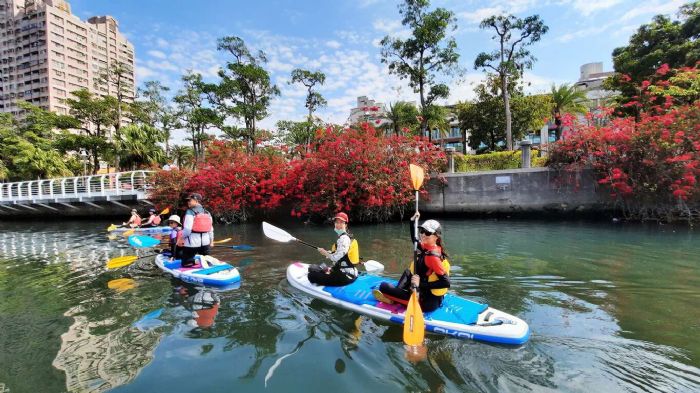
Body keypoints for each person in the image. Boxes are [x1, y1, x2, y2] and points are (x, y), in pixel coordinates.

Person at [373, 212, 450, 312]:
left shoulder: (432, 257)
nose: (423, 234)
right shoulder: (429, 247)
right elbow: (415, 240)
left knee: (383, 286)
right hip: (424, 292)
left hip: (425, 302)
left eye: (427, 233)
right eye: (422, 231)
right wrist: (412, 221)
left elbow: (446, 282)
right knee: (407, 272)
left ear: (436, 237)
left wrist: (420, 284)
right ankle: (397, 294)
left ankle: (393, 298)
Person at [308, 212, 360, 286]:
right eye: (337, 222)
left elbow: (335, 258)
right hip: (344, 271)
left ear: (345, 225)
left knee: (311, 276)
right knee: (312, 268)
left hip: (345, 276)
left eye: (341, 223)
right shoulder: (345, 237)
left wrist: (325, 253)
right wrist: (327, 252)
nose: (338, 225)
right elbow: (340, 253)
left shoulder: (344, 239)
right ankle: (329, 272)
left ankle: (328, 276)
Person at [179, 193, 214, 268]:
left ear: (196, 200)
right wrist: (211, 241)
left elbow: (187, 230)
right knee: (207, 261)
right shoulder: (207, 212)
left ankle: (193, 261)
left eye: (190, 200)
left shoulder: (189, 212)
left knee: (185, 263)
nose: (188, 202)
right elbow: (211, 229)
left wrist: (181, 239)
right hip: (205, 243)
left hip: (192, 244)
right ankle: (207, 263)